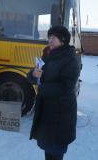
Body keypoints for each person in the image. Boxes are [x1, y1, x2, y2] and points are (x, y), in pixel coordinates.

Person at [28, 26, 80, 160]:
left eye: (53, 38)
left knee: (56, 150)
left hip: (60, 112)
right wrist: (33, 74)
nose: (49, 40)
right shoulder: (47, 54)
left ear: (62, 40)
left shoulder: (70, 58)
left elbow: (67, 86)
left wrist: (43, 88)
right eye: (49, 37)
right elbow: (34, 73)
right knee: (48, 147)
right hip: (46, 110)